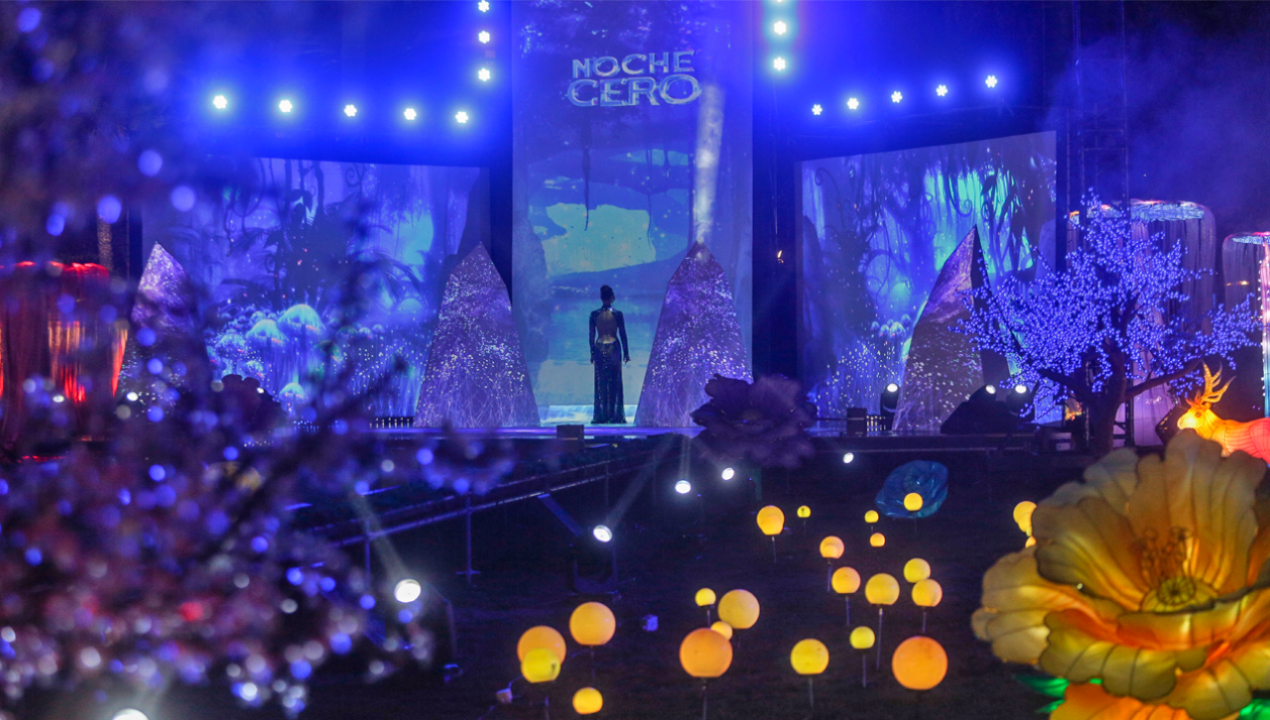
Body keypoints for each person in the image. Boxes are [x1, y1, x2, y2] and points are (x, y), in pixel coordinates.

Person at [589, 285, 629, 424]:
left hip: (599, 347)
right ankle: (614, 415)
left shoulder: (594, 314)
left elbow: (591, 335)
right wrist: (626, 352)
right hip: (613, 347)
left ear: (601, 298)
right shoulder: (617, 314)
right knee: (614, 382)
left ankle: (601, 415)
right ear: (612, 297)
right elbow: (622, 334)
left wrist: (592, 353)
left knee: (601, 383)